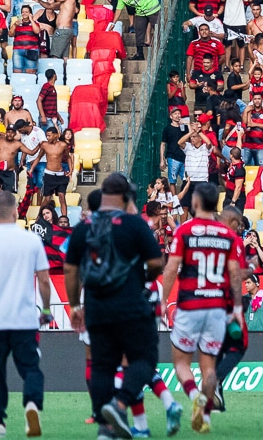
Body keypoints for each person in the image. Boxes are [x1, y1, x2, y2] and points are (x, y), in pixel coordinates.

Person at [65, 173, 170, 440]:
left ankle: (104, 428)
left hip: (97, 307)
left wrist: (75, 305)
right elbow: (157, 262)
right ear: (124, 197)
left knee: (102, 366)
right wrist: (143, 277)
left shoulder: (83, 227)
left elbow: (70, 269)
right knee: (144, 360)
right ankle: (120, 403)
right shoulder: (134, 225)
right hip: (130, 305)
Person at [161, 181, 247, 432]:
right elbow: (234, 276)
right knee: (209, 366)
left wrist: (163, 302)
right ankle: (206, 416)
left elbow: (170, 269)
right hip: (217, 308)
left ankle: (194, 397)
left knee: (181, 362)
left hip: (190, 304)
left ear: (195, 203)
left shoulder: (185, 231)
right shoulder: (228, 235)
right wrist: (237, 311)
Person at [0, 188, 53, 440]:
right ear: (17, 211)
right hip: (25, 319)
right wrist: (47, 309)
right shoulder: (31, 240)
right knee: (31, 369)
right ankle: (31, 405)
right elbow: (44, 280)